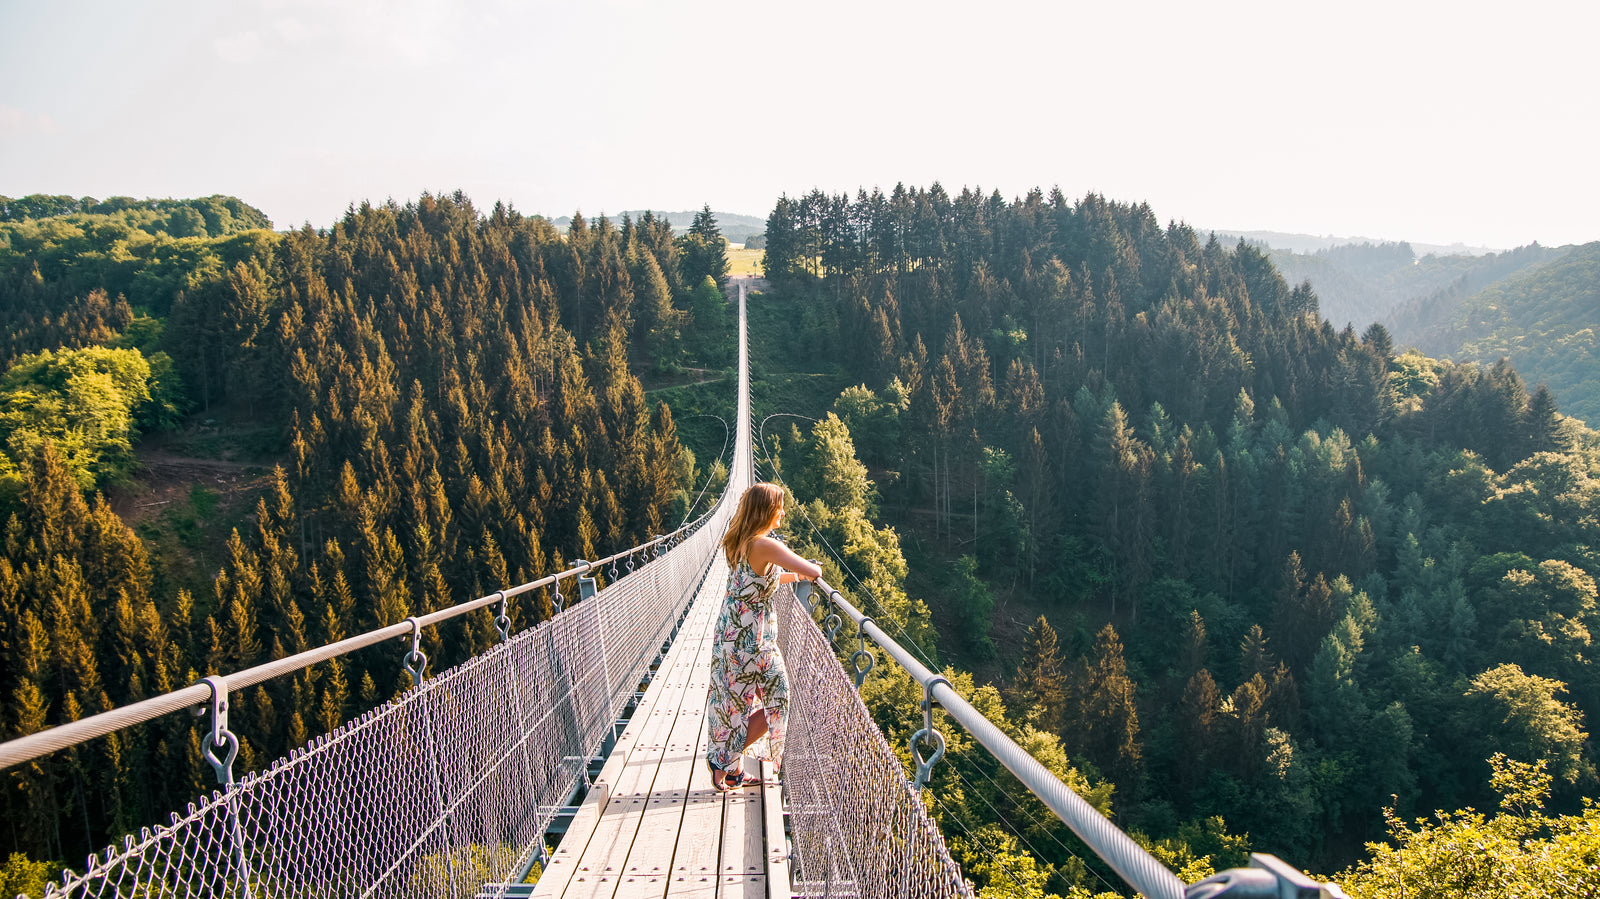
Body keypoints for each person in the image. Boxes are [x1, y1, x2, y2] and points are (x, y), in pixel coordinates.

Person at [705, 482, 821, 791]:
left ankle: (731, 769)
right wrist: (808, 571)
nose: (783, 511)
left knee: (734, 705)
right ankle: (723, 760)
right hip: (750, 641)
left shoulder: (744, 541)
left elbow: (758, 578)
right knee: (779, 699)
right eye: (780, 506)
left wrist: (793, 576)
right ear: (768, 510)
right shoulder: (765, 544)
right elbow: (815, 571)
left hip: (732, 635)